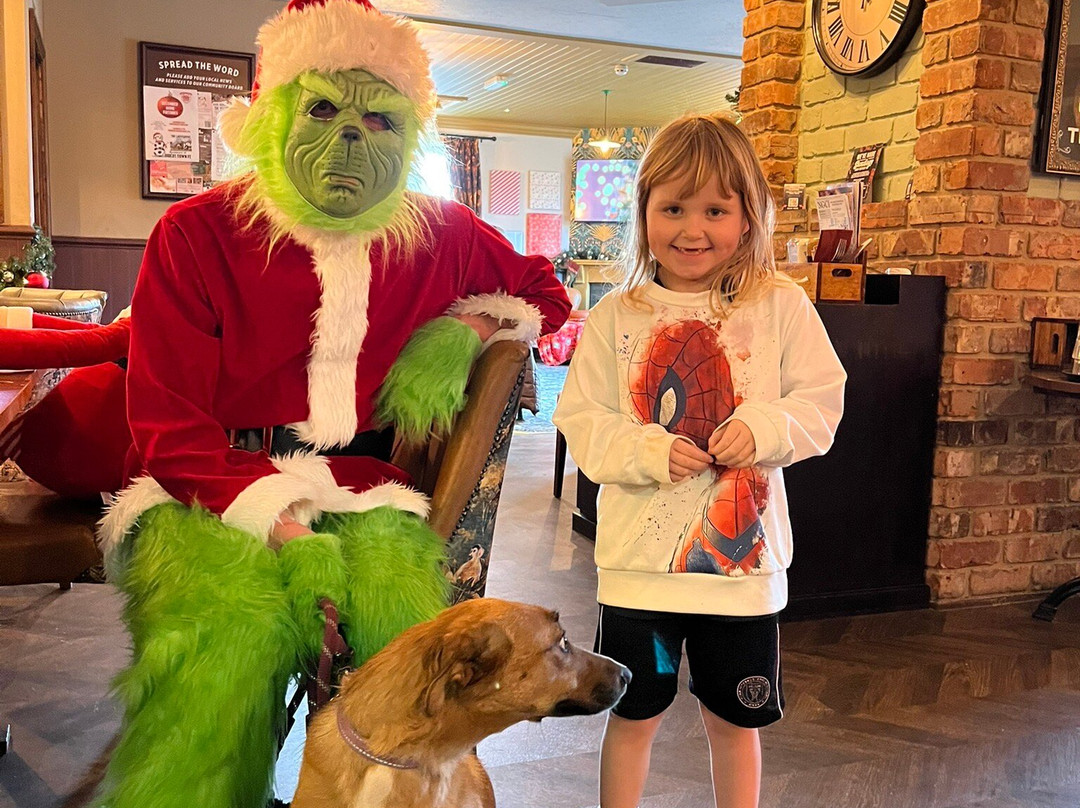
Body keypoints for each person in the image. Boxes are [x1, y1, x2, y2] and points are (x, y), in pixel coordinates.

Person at [94, 1, 570, 806]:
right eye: (322, 109)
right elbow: (168, 428)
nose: (351, 137)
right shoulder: (196, 233)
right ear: (274, 116)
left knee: (408, 648)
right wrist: (280, 523)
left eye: (380, 118)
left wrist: (469, 327)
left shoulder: (442, 231)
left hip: (366, 489)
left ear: (408, 136)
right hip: (206, 484)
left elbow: (545, 295)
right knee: (223, 641)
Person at [552, 112, 845, 808]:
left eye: (715, 210)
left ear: (748, 217)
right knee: (631, 718)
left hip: (742, 578)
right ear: (643, 211)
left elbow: (822, 404)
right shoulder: (616, 314)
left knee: (735, 723)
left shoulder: (781, 305)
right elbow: (581, 421)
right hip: (638, 577)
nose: (693, 229)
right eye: (673, 208)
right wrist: (649, 449)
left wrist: (765, 427)